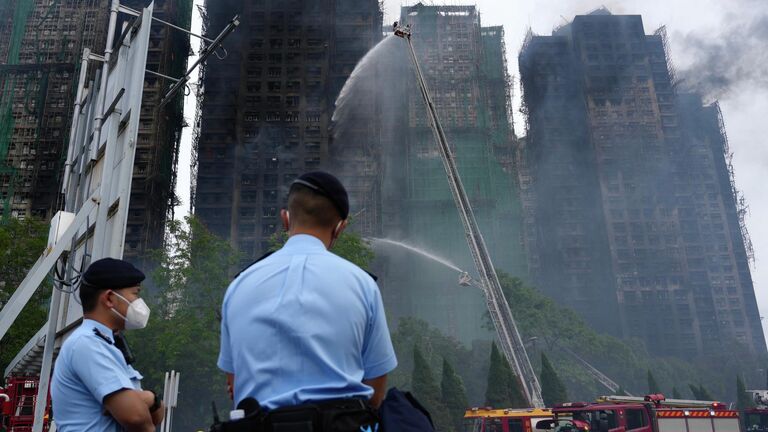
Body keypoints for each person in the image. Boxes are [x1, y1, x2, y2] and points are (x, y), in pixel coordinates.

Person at [218, 171, 397, 430]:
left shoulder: (238, 287)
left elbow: (234, 386)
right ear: (340, 227)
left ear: (285, 218)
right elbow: (376, 394)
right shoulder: (362, 285)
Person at [51, 258, 164, 431]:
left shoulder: (108, 345)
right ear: (110, 298)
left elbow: (155, 417)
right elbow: (136, 417)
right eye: (135, 294)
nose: (139, 302)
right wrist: (145, 400)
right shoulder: (87, 344)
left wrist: (150, 398)